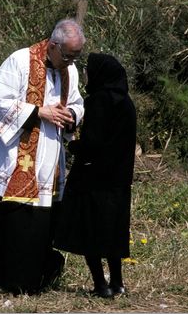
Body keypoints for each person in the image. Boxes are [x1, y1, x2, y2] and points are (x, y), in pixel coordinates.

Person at [0, 18, 85, 294]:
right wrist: (39, 111)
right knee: (9, 218)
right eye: (67, 56)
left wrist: (71, 116)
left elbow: (78, 104)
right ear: (53, 46)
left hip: (48, 159)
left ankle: (30, 280)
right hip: (15, 155)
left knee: (37, 223)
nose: (70, 63)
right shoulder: (19, 61)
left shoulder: (71, 70)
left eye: (75, 58)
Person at [53, 53, 137, 298]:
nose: (87, 75)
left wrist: (74, 146)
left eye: (89, 70)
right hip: (119, 182)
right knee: (111, 233)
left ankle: (101, 285)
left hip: (92, 180)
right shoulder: (126, 103)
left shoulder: (99, 101)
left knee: (89, 231)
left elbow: (93, 143)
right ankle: (118, 283)